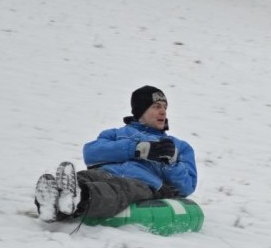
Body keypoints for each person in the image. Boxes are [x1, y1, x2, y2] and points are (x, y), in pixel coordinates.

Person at [34, 85, 197, 222]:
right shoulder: (115, 134)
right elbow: (91, 153)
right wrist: (137, 149)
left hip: (143, 182)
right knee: (84, 176)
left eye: (165, 107)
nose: (163, 112)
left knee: (117, 190)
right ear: (141, 111)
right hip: (104, 172)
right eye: (156, 107)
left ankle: (80, 196)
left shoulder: (178, 146)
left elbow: (187, 187)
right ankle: (52, 198)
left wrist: (172, 163)